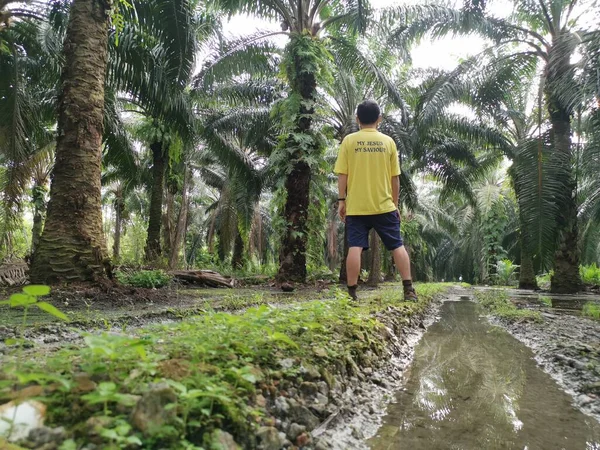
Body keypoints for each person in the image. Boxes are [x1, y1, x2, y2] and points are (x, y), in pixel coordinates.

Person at [334, 100, 418, 302]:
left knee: (355, 247)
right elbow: (394, 178)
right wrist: (395, 205)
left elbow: (342, 175)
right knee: (397, 245)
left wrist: (342, 200)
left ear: (357, 119)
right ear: (379, 119)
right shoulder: (388, 142)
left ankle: (352, 293)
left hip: (356, 207)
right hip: (384, 205)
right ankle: (408, 290)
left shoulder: (349, 141)